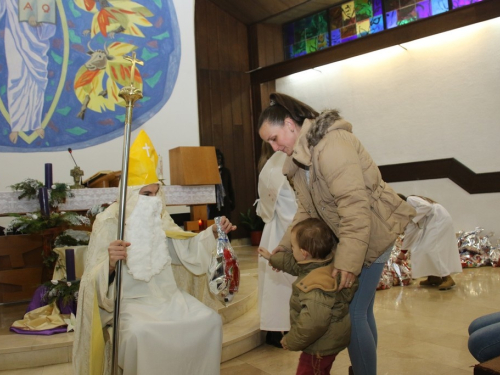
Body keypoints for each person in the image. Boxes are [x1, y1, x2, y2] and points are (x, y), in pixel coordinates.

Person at [258, 92, 416, 375]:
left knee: (353, 314)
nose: (274, 147)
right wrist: (284, 247)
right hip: (354, 236)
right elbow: (305, 211)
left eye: (273, 138)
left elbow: (355, 207)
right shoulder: (300, 159)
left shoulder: (332, 145)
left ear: (289, 125)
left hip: (372, 234)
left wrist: (346, 262)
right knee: (362, 311)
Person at [73, 130, 236, 375]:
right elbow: (89, 283)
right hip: (129, 303)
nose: (152, 200)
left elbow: (185, 250)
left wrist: (211, 233)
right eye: (145, 194)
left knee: (210, 321)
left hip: (168, 297)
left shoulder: (159, 216)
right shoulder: (109, 222)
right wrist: (109, 264)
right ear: (129, 193)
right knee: (141, 335)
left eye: (155, 193)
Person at [258, 218, 356, 375]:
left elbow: (314, 323)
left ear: (304, 253)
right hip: (328, 340)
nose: (291, 249)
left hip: (319, 346)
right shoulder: (322, 263)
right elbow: (293, 264)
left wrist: (291, 340)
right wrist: (271, 257)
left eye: (293, 247)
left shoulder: (317, 286)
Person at [256, 140, 297, 347]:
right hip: (286, 232)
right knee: (283, 280)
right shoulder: (281, 169)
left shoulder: (266, 170)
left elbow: (263, 208)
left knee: (273, 283)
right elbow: (291, 211)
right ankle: (284, 327)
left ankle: (273, 327)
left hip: (271, 230)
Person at [0, 0, 56, 144]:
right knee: (16, 78)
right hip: (15, 37)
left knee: (37, 81)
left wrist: (40, 23)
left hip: (36, 43)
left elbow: (49, 18)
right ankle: (16, 125)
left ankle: (36, 123)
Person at [396, 194, 462, 290]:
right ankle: (433, 277)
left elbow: (427, 206)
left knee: (431, 249)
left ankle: (446, 277)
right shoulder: (409, 214)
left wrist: (413, 217)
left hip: (439, 220)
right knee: (418, 249)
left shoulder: (410, 199)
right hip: (433, 222)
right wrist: (402, 253)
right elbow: (410, 233)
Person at [208, 148, 235, 222]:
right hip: (214, 204)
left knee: (226, 226)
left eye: (220, 158)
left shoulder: (226, 172)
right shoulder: (210, 172)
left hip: (225, 203)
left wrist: (232, 202)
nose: (219, 160)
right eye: (217, 158)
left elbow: (230, 188)